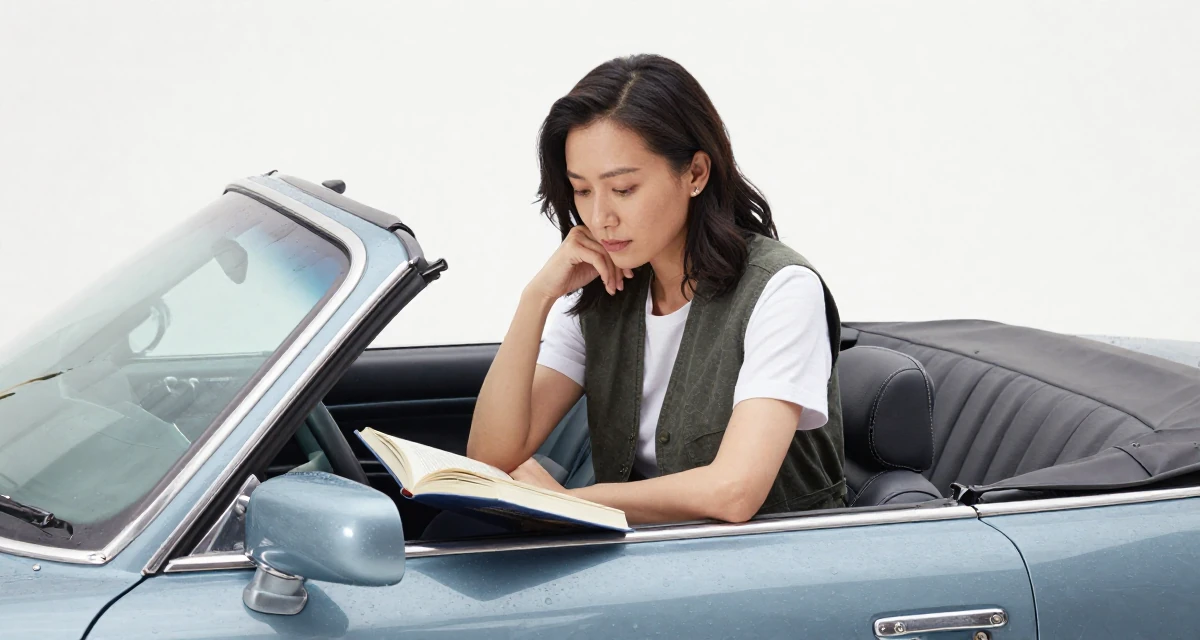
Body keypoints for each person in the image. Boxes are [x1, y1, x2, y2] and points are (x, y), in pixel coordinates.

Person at [464, 53, 845, 528]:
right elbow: (490, 455)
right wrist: (537, 296)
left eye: (622, 189)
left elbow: (734, 492)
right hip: (644, 566)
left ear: (695, 174)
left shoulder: (782, 290)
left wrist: (571, 501)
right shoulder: (601, 290)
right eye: (581, 191)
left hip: (771, 571)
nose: (600, 217)